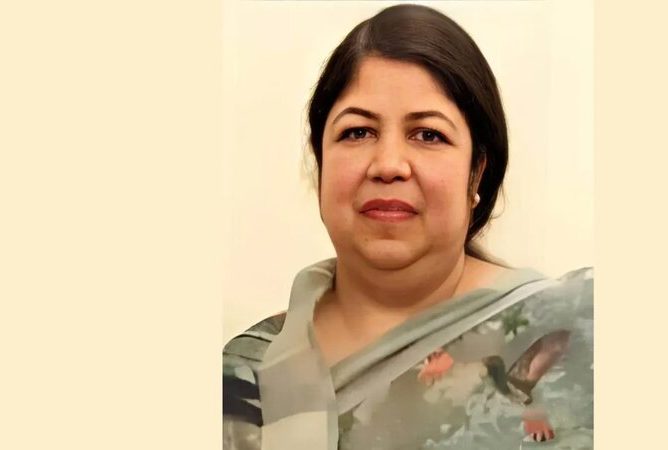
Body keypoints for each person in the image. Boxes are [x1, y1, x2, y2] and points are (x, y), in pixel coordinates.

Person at [223, 4, 593, 449]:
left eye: (428, 135)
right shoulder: (243, 377)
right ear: (321, 165)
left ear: (476, 173)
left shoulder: (579, 328)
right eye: (358, 132)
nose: (388, 165)